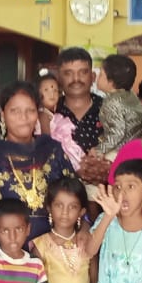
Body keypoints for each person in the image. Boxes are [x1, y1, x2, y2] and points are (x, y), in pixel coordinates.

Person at [0, 81, 75, 239]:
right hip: (6, 248)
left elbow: (74, 194)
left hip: (53, 245)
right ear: (3, 114)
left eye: (30, 110)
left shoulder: (51, 150)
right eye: (15, 111)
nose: (23, 118)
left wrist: (83, 226)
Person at [54, 47, 107, 188]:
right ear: (59, 78)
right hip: (58, 194)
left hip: (104, 194)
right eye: (68, 73)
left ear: (93, 77)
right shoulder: (49, 113)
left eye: (83, 72)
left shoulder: (109, 110)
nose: (76, 79)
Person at [94, 54, 142, 158]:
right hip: (138, 146)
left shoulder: (112, 102)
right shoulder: (131, 95)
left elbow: (117, 133)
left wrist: (99, 150)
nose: (97, 77)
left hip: (121, 151)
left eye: (101, 74)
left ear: (111, 82)